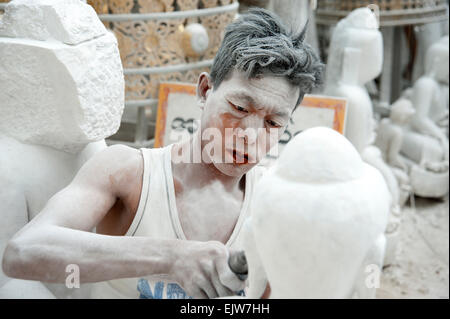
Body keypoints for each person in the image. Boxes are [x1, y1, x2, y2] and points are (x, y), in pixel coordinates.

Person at [2, 8, 323, 299]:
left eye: (272, 123)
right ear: (204, 91)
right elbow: (22, 253)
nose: (250, 135)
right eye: (239, 108)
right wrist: (172, 256)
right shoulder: (129, 173)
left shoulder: (274, 202)